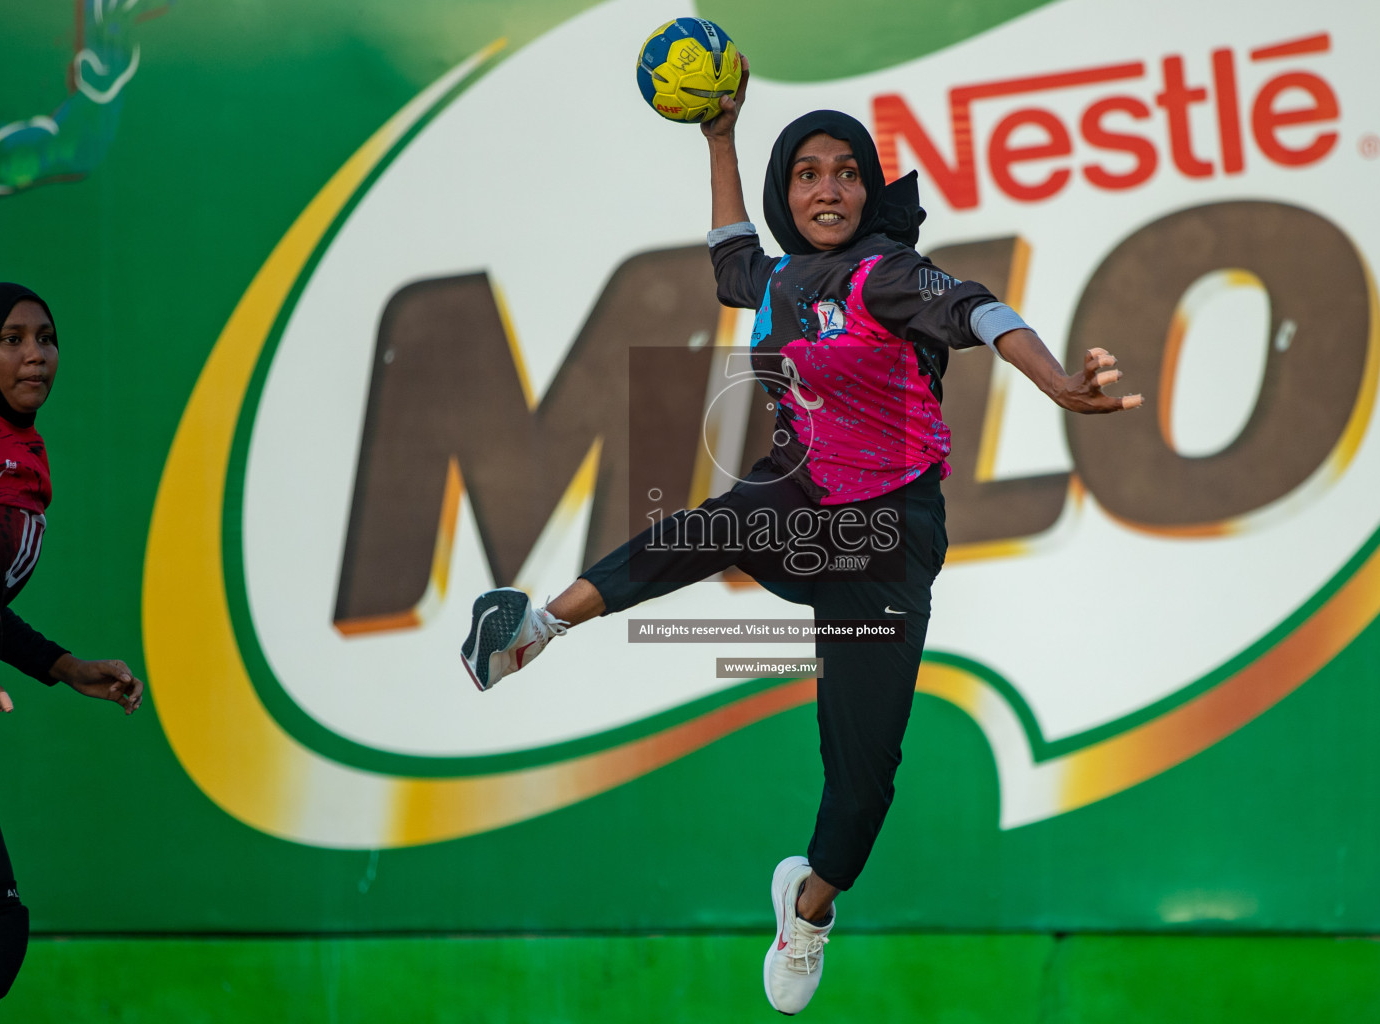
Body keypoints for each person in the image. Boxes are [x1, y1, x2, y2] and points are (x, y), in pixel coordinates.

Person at [458, 61, 1138, 1015]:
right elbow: (731, 251)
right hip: (798, 496)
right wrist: (720, 136)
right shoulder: (773, 278)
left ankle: (808, 907)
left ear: (867, 191)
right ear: (789, 193)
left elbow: (983, 309)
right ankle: (537, 625)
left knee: (863, 786)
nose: (829, 187)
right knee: (703, 526)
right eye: (808, 173)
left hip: (887, 538)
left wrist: (1060, 380)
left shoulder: (889, 274)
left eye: (847, 171)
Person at [0, 284, 146, 1003]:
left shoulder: (22, 450)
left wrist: (64, 667)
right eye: (12, 339)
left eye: (45, 337)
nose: (35, 355)